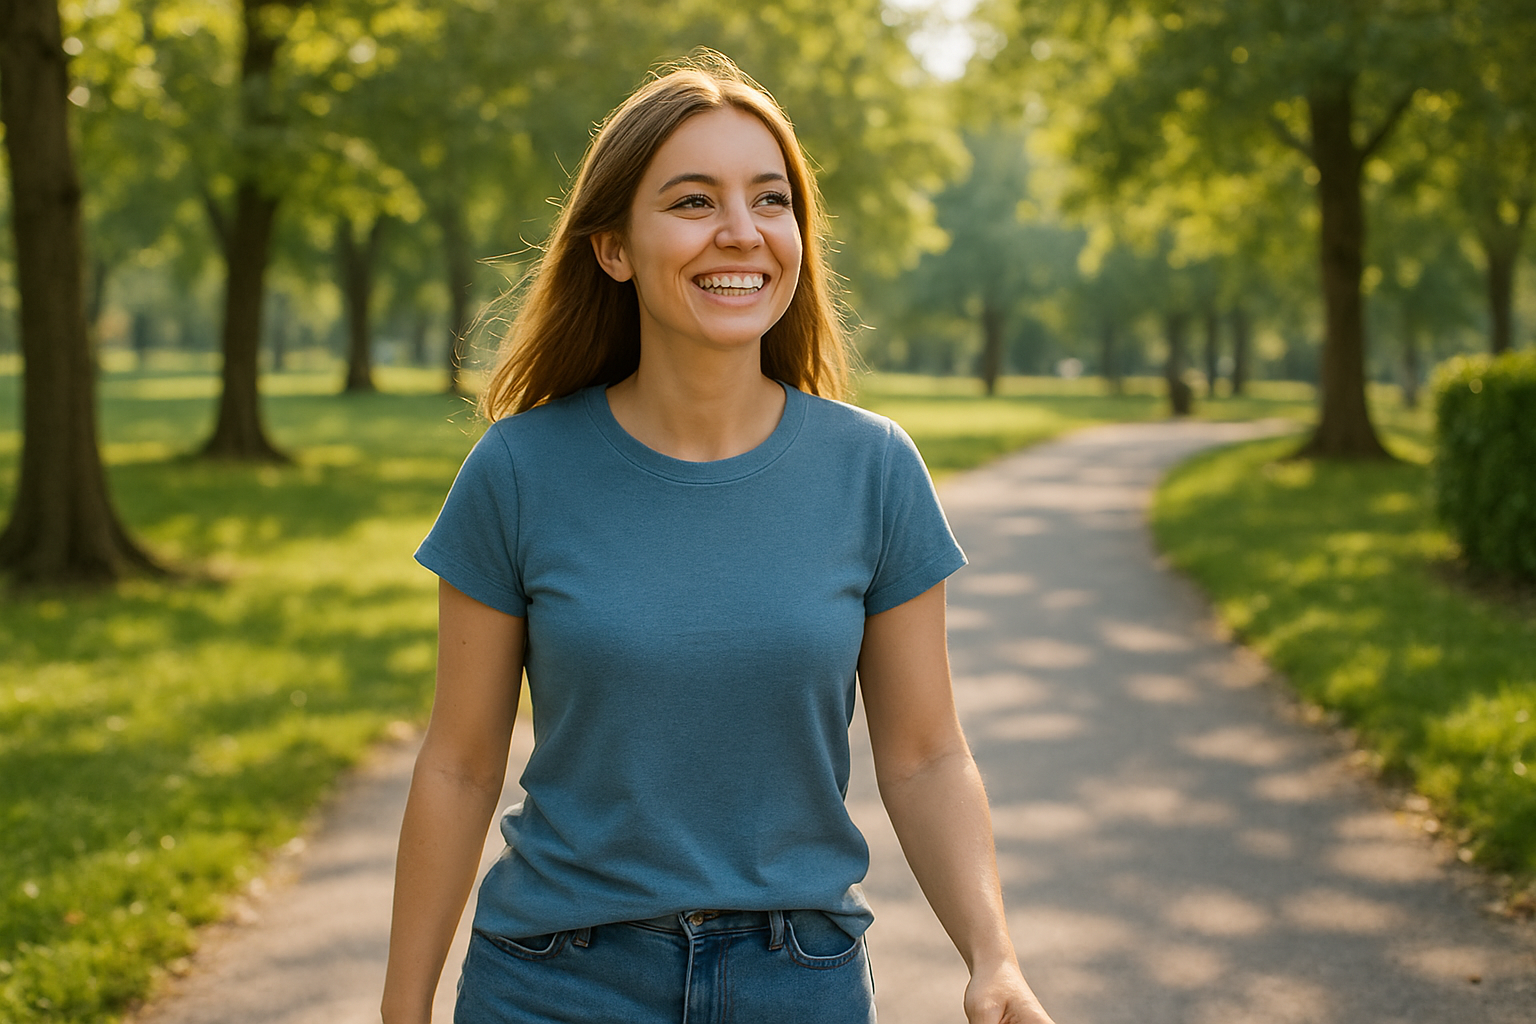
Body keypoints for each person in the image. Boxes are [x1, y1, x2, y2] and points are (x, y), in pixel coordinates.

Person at [381, 52, 1058, 1024]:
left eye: (770, 200)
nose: (741, 232)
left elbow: (925, 754)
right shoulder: (520, 471)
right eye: (694, 201)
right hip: (555, 980)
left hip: (795, 978)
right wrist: (402, 1011)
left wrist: (994, 956)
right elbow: (458, 762)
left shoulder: (872, 469)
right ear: (613, 247)